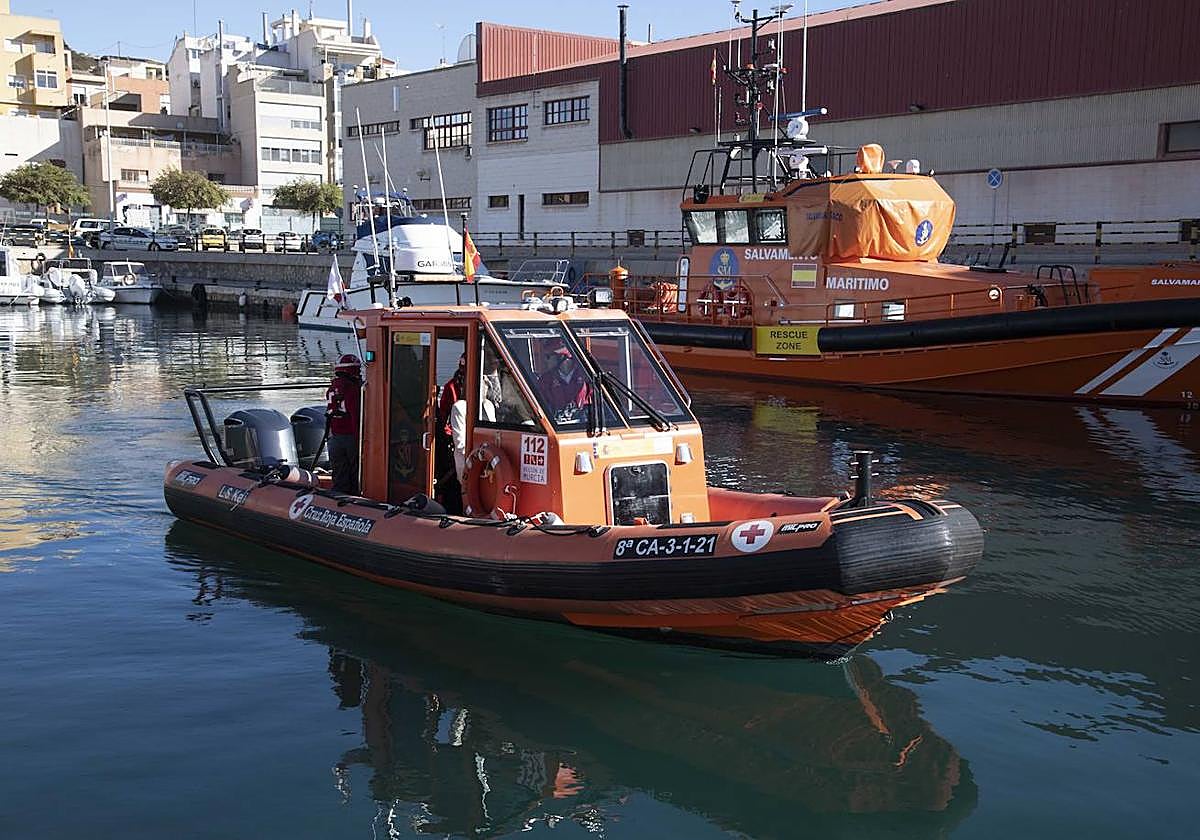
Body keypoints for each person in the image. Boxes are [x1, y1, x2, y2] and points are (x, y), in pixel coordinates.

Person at [325, 354, 362, 494]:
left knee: (339, 472)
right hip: (350, 436)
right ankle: (355, 499)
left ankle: (338, 498)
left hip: (334, 437)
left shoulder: (332, 388)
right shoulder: (353, 389)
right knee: (355, 471)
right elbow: (356, 415)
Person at [537, 345, 590, 420]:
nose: (546, 360)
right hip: (558, 426)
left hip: (583, 424)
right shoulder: (545, 380)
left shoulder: (585, 377)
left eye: (548, 356)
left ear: (563, 358)